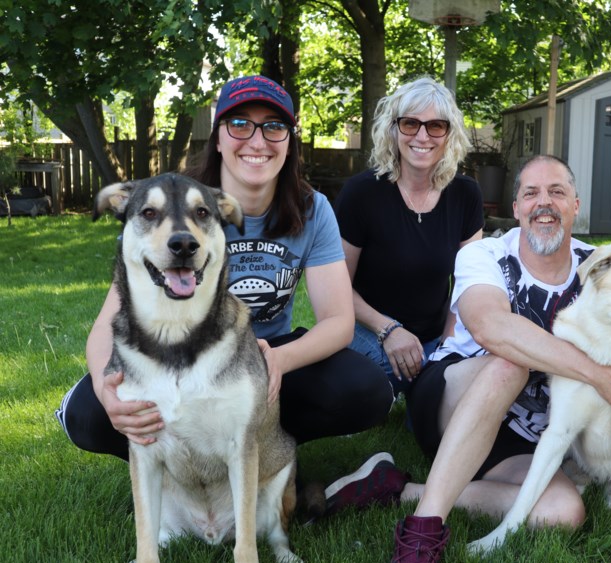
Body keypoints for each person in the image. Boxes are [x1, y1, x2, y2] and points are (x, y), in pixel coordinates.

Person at [342, 155, 611, 563]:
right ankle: (422, 531)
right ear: (515, 207)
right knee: (509, 362)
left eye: (557, 192)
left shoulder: (602, 269)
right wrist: (602, 377)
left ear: (576, 205)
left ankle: (396, 487)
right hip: (457, 394)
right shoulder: (485, 255)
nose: (544, 203)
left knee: (561, 512)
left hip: (526, 431)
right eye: (531, 193)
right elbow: (491, 326)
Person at [56, 75, 394, 470]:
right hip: (176, 363)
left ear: (289, 141)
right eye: (239, 124)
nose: (257, 140)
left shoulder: (311, 209)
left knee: (366, 390)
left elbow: (338, 322)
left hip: (264, 353)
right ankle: (177, 458)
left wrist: (279, 361)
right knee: (89, 415)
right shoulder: (170, 204)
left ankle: (262, 450)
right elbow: (107, 324)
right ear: (218, 138)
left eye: (273, 126)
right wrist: (103, 388)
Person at [335, 77, 484, 397]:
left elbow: (469, 283)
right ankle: (386, 387)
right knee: (379, 379)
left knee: (455, 375)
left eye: (435, 126)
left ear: (449, 134)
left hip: (434, 334)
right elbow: (336, 287)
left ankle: (417, 382)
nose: (422, 136)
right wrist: (388, 330)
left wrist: (448, 345)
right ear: (393, 129)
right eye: (410, 123)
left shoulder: (465, 194)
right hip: (367, 330)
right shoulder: (361, 193)